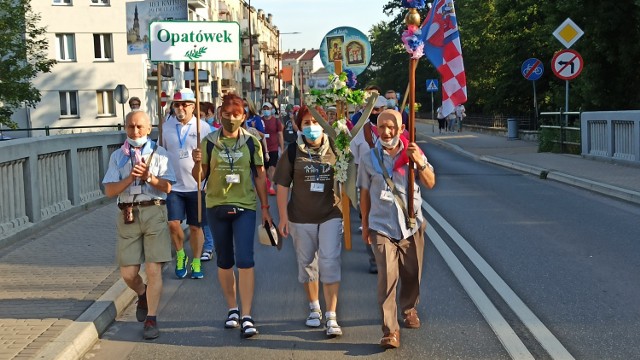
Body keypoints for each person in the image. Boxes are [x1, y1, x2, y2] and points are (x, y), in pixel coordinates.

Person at [191, 93, 273, 338]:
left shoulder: (251, 142)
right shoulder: (208, 142)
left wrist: (266, 208)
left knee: (245, 259)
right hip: (216, 205)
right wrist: (196, 163)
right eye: (226, 114)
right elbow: (199, 178)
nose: (230, 118)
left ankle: (247, 315)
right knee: (224, 260)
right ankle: (232, 310)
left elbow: (260, 176)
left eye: (236, 115)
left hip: (245, 206)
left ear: (243, 116)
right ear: (219, 115)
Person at [357, 109, 435, 349]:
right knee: (387, 277)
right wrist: (365, 224)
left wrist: (420, 163)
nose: (387, 131)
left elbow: (431, 183)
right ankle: (390, 330)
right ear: (376, 129)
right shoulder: (369, 158)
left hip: (411, 224)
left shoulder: (413, 153)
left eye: (392, 127)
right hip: (381, 226)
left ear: (401, 129)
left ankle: (409, 307)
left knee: (412, 273)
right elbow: (365, 193)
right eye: (382, 127)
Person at [102, 110, 176, 340]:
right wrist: (128, 179)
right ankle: (141, 293)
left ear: (148, 128)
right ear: (125, 128)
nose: (135, 131)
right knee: (128, 272)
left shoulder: (160, 153)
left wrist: (149, 178)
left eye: (140, 127)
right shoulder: (117, 156)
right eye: (131, 127)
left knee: (154, 269)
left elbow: (168, 188)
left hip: (154, 211)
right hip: (128, 214)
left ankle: (151, 319)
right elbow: (109, 191)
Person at [274, 105, 344, 338]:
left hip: (330, 214)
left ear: (324, 125)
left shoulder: (336, 146)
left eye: (316, 123)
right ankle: (315, 307)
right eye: (306, 123)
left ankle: (332, 316)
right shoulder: (293, 152)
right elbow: (282, 185)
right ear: (299, 126)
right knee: (307, 264)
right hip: (300, 217)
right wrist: (283, 217)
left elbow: (351, 170)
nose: (312, 128)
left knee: (330, 261)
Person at [162, 89, 211, 279]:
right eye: (176, 104)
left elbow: (211, 156)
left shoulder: (202, 127)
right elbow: (161, 152)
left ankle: (196, 262)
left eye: (184, 104)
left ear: (193, 106)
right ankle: (181, 254)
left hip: (197, 186)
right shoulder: (166, 127)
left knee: (195, 227)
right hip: (174, 185)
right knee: (173, 224)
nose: (180, 108)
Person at [350, 95, 386, 274]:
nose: (376, 113)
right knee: (369, 220)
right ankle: (373, 259)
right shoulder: (360, 133)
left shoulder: (395, 132)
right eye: (374, 110)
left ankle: (388, 255)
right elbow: (355, 160)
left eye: (380, 110)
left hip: (389, 187)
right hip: (368, 185)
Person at [261, 101, 284, 196]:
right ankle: (269, 182)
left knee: (272, 167)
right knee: (265, 169)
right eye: (264, 109)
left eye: (268, 109)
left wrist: (282, 149)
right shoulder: (260, 120)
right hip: (263, 148)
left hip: (273, 147)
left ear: (271, 110)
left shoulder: (276, 121)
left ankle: (271, 187)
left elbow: (280, 135)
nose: (266, 111)